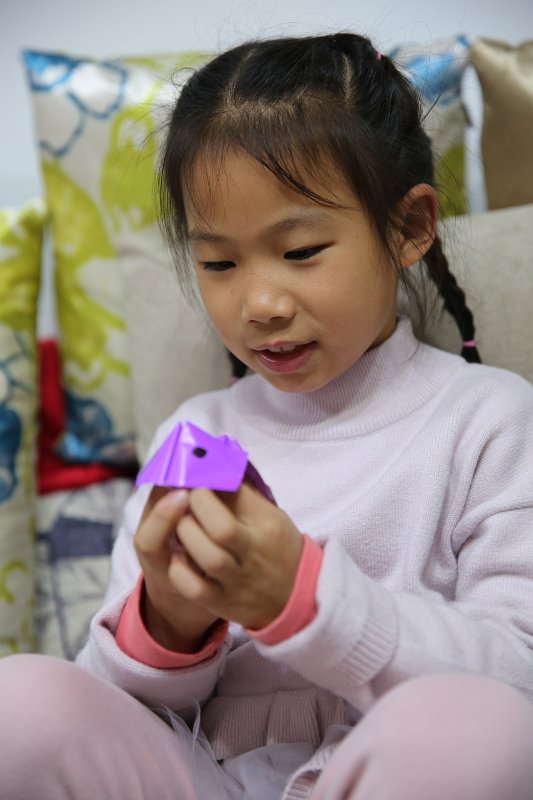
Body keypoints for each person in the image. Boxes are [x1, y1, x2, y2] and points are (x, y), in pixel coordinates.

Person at [2, 31, 533, 800]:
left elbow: (517, 674)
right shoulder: (197, 436)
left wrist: (304, 600)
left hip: (389, 771)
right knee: (20, 702)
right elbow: (117, 707)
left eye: (302, 250)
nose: (259, 304)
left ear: (410, 227)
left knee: (477, 728)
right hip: (204, 779)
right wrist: (167, 619)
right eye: (218, 263)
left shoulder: (488, 420)